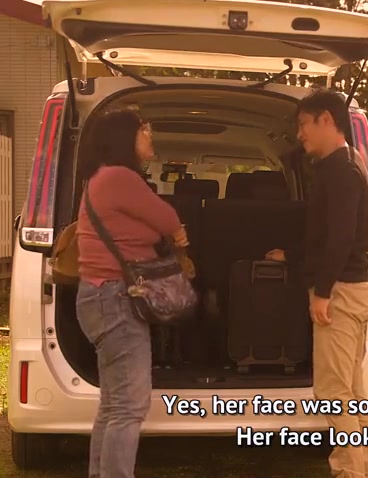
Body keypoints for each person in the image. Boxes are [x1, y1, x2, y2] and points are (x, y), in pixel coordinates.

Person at [267, 89, 368, 478]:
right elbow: (326, 235)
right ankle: (363, 470)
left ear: (327, 120)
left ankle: (349, 471)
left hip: (340, 293)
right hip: (351, 289)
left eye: (303, 124)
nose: (300, 134)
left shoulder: (342, 171)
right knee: (353, 392)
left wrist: (323, 293)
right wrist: (293, 257)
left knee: (333, 393)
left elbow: (340, 239)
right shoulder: (343, 164)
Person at [76, 107, 188, 478]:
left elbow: (147, 226)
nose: (150, 133)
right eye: (144, 128)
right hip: (115, 298)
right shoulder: (120, 177)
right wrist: (172, 232)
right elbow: (167, 219)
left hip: (98, 296)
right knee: (129, 407)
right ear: (126, 137)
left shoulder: (101, 178)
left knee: (113, 405)